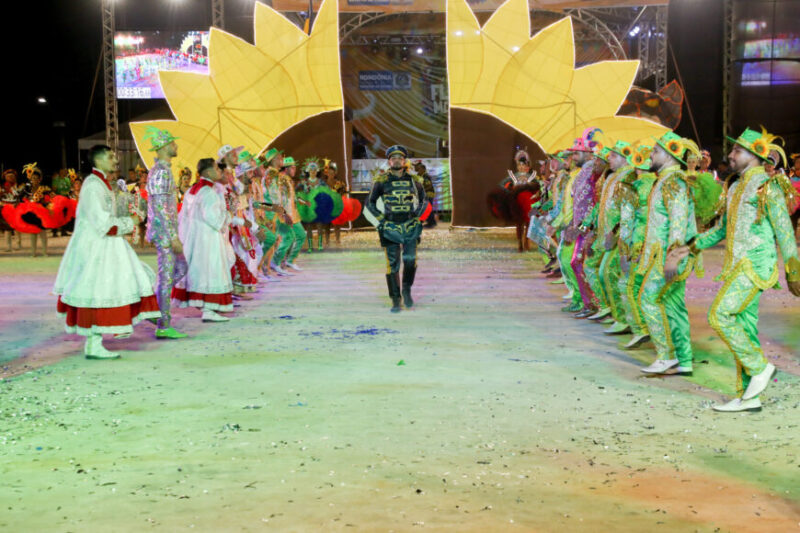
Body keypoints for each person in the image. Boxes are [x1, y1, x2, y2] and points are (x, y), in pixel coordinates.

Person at [668, 127, 800, 412]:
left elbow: (784, 230)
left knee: (719, 315)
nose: (730, 154)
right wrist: (689, 247)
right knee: (744, 328)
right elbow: (720, 230)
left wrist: (793, 271)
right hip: (736, 266)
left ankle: (760, 367)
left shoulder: (768, 185)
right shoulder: (736, 186)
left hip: (755, 265)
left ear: (755, 155)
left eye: (737, 150)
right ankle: (748, 396)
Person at [53, 144, 160, 359]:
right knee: (97, 291)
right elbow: (102, 222)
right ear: (98, 160)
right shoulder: (93, 186)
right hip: (96, 246)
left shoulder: (100, 183)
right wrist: (130, 222)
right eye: (111, 157)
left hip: (104, 243)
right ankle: (94, 343)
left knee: (105, 289)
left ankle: (97, 341)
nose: (115, 160)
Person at [636, 131, 701, 376]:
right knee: (673, 306)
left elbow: (678, 223)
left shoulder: (674, 182)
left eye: (655, 151)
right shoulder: (665, 180)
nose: (650, 155)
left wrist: (673, 258)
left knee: (647, 299)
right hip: (665, 254)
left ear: (669, 155)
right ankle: (684, 359)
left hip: (668, 256)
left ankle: (667, 355)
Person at [172, 158, 237, 322]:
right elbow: (214, 219)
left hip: (194, 237)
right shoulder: (208, 192)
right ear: (208, 172)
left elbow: (183, 216)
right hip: (208, 238)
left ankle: (206, 307)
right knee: (210, 271)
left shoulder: (192, 189)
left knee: (200, 271)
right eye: (216, 168)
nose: (219, 171)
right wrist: (229, 214)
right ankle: (209, 308)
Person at [366, 145, 427, 312]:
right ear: (389, 161)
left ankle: (406, 290)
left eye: (400, 158)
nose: (397, 160)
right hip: (390, 227)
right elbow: (370, 203)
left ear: (404, 160)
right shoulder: (381, 181)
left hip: (410, 226)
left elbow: (424, 200)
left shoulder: (414, 180)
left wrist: (417, 216)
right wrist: (381, 220)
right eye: (393, 158)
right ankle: (395, 298)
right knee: (393, 265)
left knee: (410, 260)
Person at [583, 140, 637, 329]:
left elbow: (628, 212)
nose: (609, 159)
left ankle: (623, 318)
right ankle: (612, 311)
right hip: (604, 234)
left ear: (625, 157)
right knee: (597, 269)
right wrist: (586, 227)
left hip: (620, 236)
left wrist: (616, 233)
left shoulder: (629, 177)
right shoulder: (611, 177)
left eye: (613, 156)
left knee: (608, 272)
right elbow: (601, 206)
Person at [144, 126, 188, 339]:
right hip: (165, 235)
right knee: (167, 275)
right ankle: (163, 323)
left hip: (166, 233)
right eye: (172, 142)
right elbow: (160, 207)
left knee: (179, 269)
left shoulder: (163, 170)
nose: (176, 145)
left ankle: (154, 309)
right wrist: (172, 237)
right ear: (163, 147)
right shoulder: (161, 172)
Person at [323, 160, 346, 245]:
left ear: (335, 174)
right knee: (327, 225)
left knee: (337, 224)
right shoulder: (323, 184)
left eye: (332, 173)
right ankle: (327, 240)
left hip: (335, 206)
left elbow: (343, 193)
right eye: (329, 173)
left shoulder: (339, 183)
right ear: (327, 174)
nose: (331, 175)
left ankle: (337, 239)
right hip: (326, 207)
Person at [414, 160, 437, 228]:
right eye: (415, 167)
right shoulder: (419, 175)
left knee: (427, 208)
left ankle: (431, 223)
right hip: (424, 194)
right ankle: (430, 222)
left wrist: (422, 190)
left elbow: (429, 186)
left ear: (422, 168)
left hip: (428, 194)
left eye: (417, 167)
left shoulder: (425, 176)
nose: (415, 168)